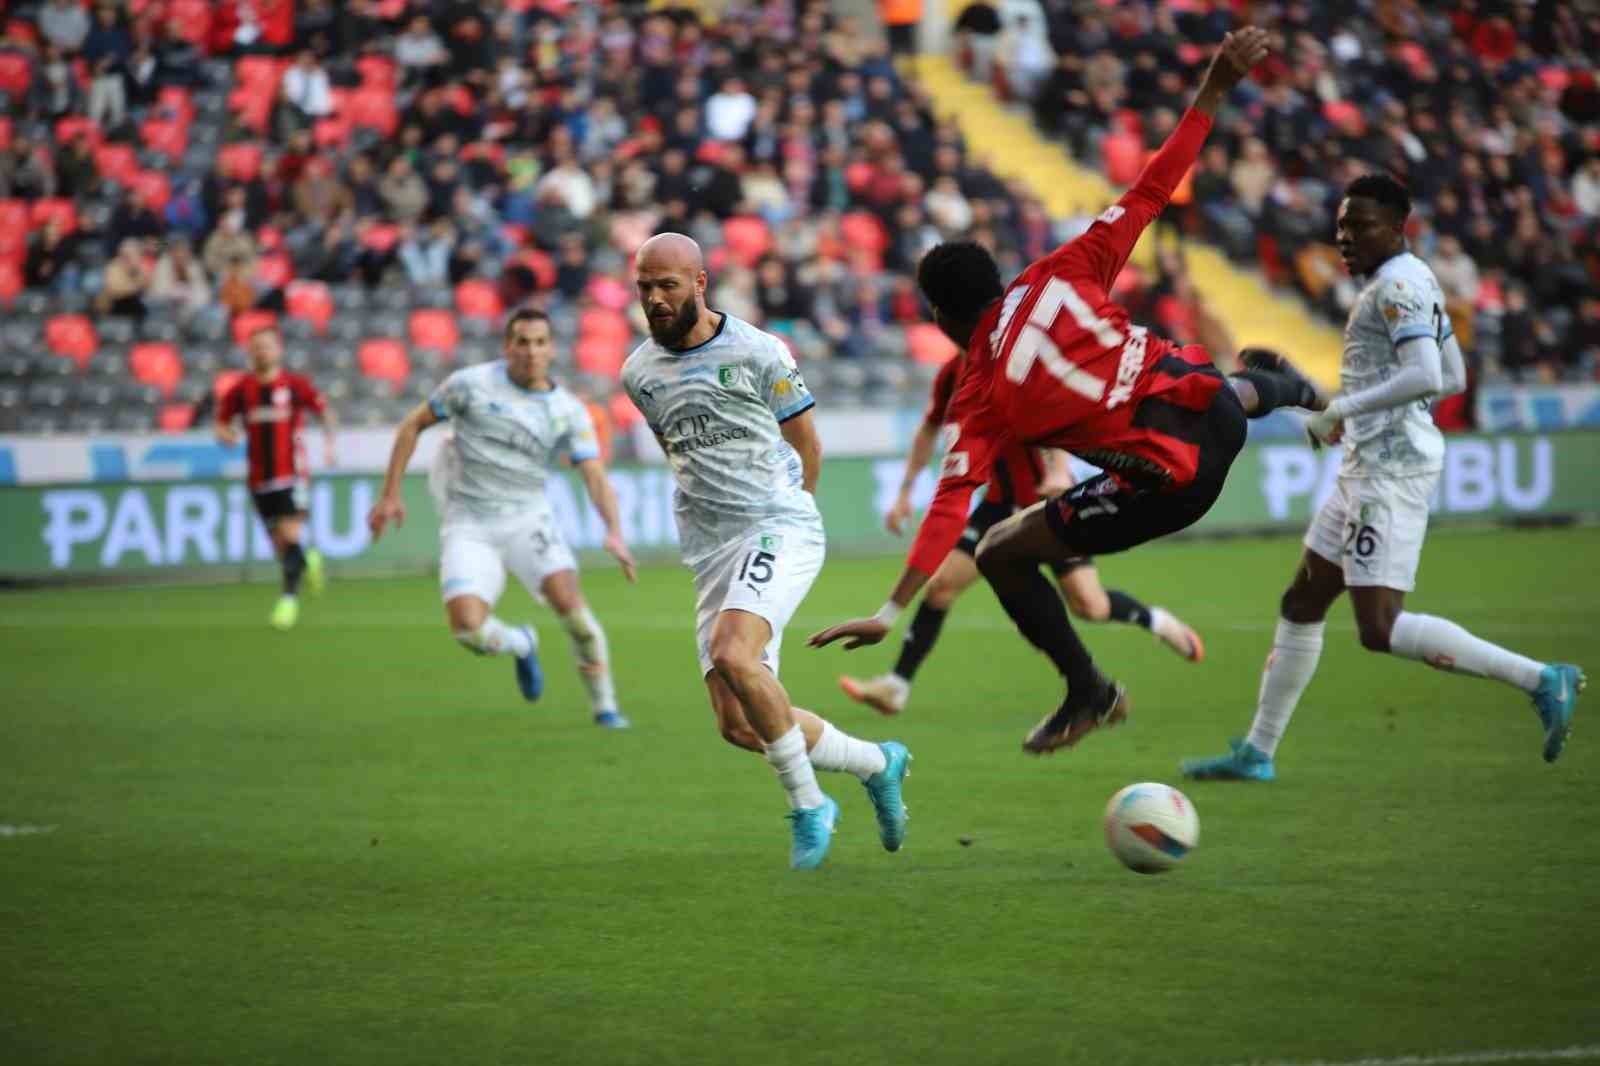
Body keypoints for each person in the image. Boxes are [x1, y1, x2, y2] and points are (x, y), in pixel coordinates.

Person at [809, 28, 1319, 755]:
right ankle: (1282, 384)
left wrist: (891, 610)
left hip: (1176, 480)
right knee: (1199, 384)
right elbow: (1151, 188)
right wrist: (1213, 88)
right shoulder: (1063, 267)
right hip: (1212, 404)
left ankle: (1087, 688)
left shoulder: (982, 394)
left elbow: (952, 505)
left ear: (943, 319)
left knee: (1002, 553)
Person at [1181, 174, 1585, 780]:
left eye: (1360, 225)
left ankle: (1540, 679)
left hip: (1390, 475)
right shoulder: (1411, 278)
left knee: (1379, 626)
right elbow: (1452, 374)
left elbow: (1425, 375)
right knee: (1303, 599)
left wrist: (1343, 410)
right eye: (1341, 225)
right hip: (1368, 463)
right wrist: (1353, 409)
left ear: (1397, 228)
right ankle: (1257, 752)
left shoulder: (1396, 285)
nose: (1344, 237)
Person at [620, 232, 910, 871]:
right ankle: (876, 762)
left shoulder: (758, 352)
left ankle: (810, 807)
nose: (655, 298)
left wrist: (791, 513)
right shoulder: (638, 373)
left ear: (700, 283)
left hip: (778, 524)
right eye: (645, 287)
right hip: (709, 550)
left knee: (734, 653)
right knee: (739, 724)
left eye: (668, 284)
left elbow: (807, 443)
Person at [838, 351, 1205, 718]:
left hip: (1050, 503)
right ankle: (896, 686)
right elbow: (930, 426)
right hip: (998, 505)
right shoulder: (953, 371)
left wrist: (1059, 471)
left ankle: (1158, 622)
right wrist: (904, 491)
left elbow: (1056, 415)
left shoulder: (1018, 357)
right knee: (941, 586)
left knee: (1090, 606)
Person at [366, 308, 636, 729]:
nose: (531, 351)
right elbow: (412, 425)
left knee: (576, 615)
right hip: (469, 524)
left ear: (552, 349)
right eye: (523, 342)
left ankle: (605, 707)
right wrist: (389, 494)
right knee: (468, 630)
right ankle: (520, 643)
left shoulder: (567, 410)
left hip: (529, 520)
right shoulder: (469, 386)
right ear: (508, 346)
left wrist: (615, 531)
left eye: (540, 342)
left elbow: (594, 474)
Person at [215, 325, 336, 631]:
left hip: (291, 475)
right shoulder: (241, 390)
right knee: (280, 545)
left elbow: (324, 411)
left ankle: (288, 601)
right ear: (249, 353)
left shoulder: (294, 384)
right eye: (256, 347)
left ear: (278, 350)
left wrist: (330, 444)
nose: (262, 352)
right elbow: (221, 423)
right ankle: (309, 560)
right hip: (258, 478)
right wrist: (225, 434)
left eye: (267, 346)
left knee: (290, 533)